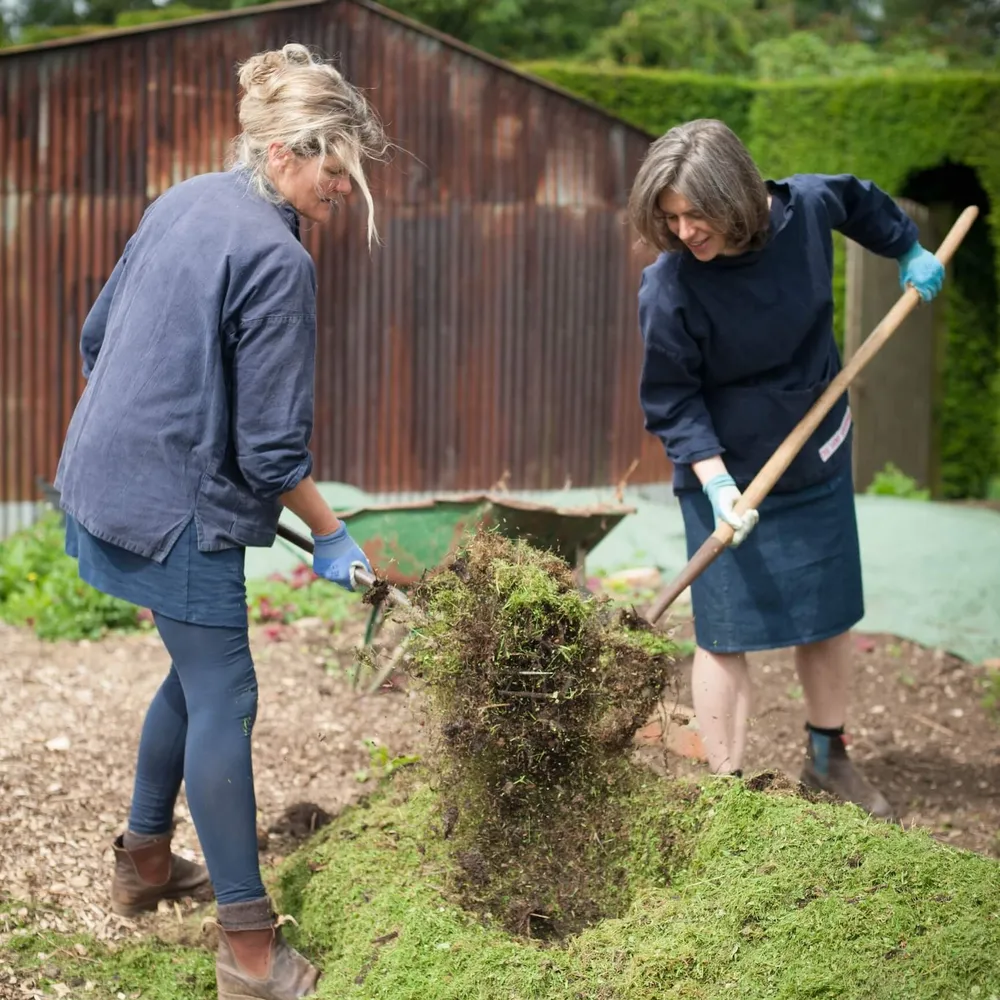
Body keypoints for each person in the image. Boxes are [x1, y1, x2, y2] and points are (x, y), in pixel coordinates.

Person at [53, 43, 390, 1000]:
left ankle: (147, 861)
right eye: (335, 172)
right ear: (287, 152)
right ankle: (249, 950)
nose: (340, 191)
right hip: (172, 513)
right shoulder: (279, 260)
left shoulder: (188, 197)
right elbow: (273, 455)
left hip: (101, 476)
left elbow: (94, 338)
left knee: (193, 671)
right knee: (228, 694)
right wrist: (331, 532)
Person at [628, 118, 945, 820]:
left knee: (827, 616)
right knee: (723, 630)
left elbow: (861, 201)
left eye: (695, 213)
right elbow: (672, 397)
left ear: (737, 196)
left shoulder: (804, 210)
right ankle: (730, 792)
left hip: (816, 443)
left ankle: (829, 759)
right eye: (669, 217)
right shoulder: (670, 286)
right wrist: (715, 484)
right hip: (724, 470)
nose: (684, 231)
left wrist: (907, 249)